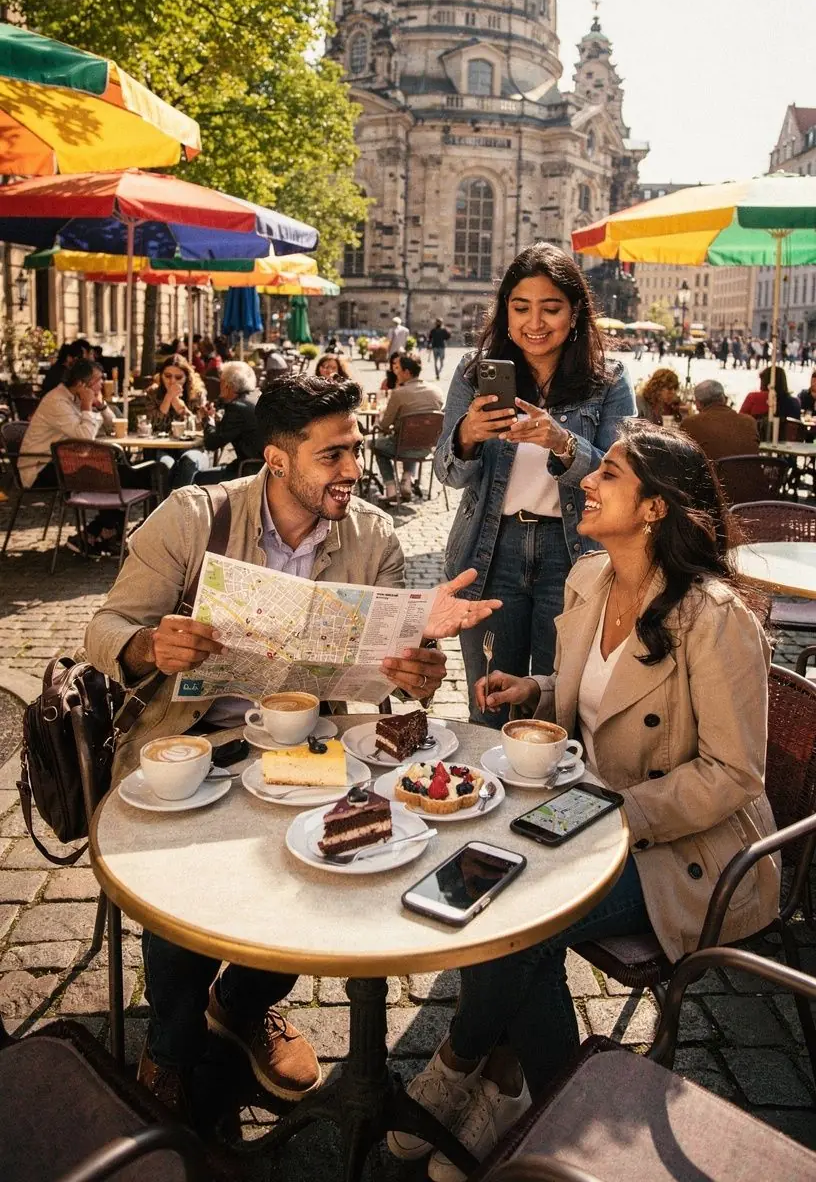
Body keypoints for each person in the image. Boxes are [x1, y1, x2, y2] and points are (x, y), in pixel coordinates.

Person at [84, 373, 500, 1123]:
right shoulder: (194, 516)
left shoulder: (373, 535)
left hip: (316, 747)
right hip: (196, 738)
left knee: (329, 874)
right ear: (277, 460)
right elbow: (104, 630)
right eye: (333, 455)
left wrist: (414, 673)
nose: (353, 469)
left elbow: (395, 683)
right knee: (183, 882)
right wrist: (150, 643)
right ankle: (172, 1049)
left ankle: (242, 1004)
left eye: (357, 449)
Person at [393, 422, 780, 1181]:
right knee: (469, 874)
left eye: (607, 473)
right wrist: (532, 690)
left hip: (690, 847)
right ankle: (528, 1089)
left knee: (519, 925)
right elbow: (590, 690)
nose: (585, 482)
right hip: (582, 811)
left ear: (655, 510)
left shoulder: (715, 618)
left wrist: (616, 817)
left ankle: (471, 1065)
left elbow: (734, 776)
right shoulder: (589, 578)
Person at [434, 242, 636, 727]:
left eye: (551, 308)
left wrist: (562, 442)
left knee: (555, 708)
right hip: (490, 548)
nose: (535, 322)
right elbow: (447, 472)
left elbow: (624, 478)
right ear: (505, 312)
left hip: (572, 557)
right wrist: (465, 437)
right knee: (489, 702)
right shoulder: (473, 373)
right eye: (521, 307)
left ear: (575, 314)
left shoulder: (607, 381)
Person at [19, 358, 150, 555]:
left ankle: (98, 533)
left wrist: (101, 405)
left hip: (66, 463)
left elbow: (112, 426)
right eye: (98, 380)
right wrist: (88, 405)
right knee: (123, 476)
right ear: (82, 384)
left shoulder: (76, 399)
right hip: (40, 467)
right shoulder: (57, 401)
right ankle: (104, 533)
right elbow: (85, 437)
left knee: (117, 473)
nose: (101, 384)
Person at [170, 361, 264, 487]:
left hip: (248, 472)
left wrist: (207, 420)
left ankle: (178, 504)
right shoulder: (256, 397)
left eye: (221, 381)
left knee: (193, 477)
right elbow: (234, 429)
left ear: (227, 386)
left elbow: (212, 443)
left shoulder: (237, 407)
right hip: (261, 468)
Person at [373, 353, 443, 503]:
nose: (396, 372)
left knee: (376, 445)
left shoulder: (399, 393)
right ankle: (406, 480)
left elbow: (385, 425)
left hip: (402, 447)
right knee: (413, 438)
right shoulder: (437, 391)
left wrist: (378, 421)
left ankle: (391, 489)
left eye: (399, 369)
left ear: (406, 372)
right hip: (427, 448)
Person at [145, 354, 209, 490]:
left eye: (178, 377)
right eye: (167, 376)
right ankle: (169, 506)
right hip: (163, 447)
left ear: (187, 378)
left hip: (192, 447)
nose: (172, 381)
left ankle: (176, 506)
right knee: (165, 465)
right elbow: (154, 426)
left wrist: (181, 408)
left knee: (188, 462)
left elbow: (199, 426)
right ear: (161, 376)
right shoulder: (153, 393)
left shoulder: (197, 394)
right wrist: (168, 398)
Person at [680, 379, 759, 461]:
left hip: (714, 473)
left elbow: (682, 455)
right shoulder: (749, 421)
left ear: (698, 404)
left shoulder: (691, 423)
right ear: (724, 399)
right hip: (751, 473)